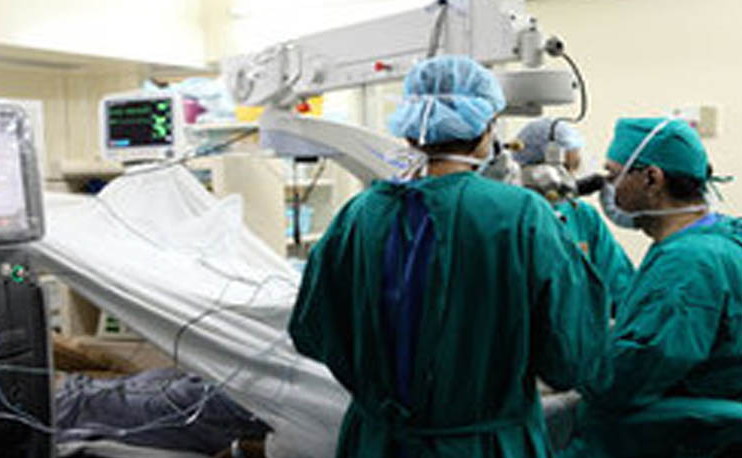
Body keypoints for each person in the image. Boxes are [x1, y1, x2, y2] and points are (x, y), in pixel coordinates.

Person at [288, 55, 612, 458]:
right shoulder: (523, 215)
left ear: (410, 133)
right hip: (485, 445)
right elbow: (571, 357)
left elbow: (311, 331)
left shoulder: (359, 215)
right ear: (487, 128)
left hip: (378, 442)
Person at [563, 118, 742, 458]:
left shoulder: (688, 263)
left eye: (613, 175)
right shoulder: (720, 236)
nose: (607, 189)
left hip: (694, 440)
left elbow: (627, 377)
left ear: (651, 178)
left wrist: (572, 361)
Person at [514, 118, 635, 306]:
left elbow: (621, 285)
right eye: (563, 169)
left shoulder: (581, 215)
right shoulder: (511, 217)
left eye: (573, 168)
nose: (568, 179)